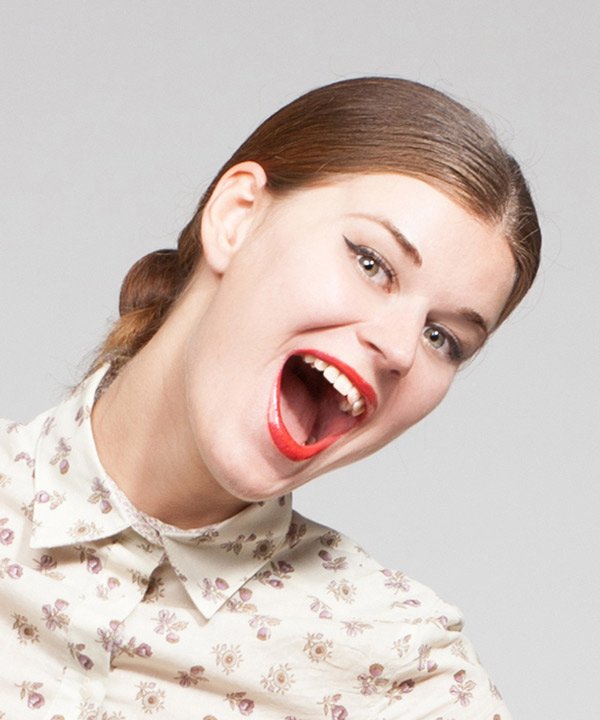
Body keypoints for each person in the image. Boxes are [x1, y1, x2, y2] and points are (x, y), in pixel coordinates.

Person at [0, 77, 540, 719]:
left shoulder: (408, 681)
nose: (399, 349)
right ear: (236, 217)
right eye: (372, 263)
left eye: (441, 337)